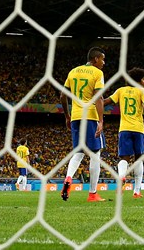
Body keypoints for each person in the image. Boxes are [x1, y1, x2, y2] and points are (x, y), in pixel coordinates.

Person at [103, 67, 144, 199]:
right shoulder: (142, 91)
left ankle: (121, 177)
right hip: (138, 129)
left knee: (124, 158)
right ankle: (137, 191)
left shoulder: (120, 91)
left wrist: (91, 102)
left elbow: (105, 102)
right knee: (138, 159)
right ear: (137, 80)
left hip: (124, 129)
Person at [60, 47, 106, 203]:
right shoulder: (97, 73)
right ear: (95, 59)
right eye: (102, 59)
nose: (103, 63)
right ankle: (92, 193)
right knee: (95, 154)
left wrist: (67, 116)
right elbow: (99, 98)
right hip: (91, 116)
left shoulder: (73, 72)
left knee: (78, 152)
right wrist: (100, 120)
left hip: (76, 116)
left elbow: (62, 96)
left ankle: (68, 178)